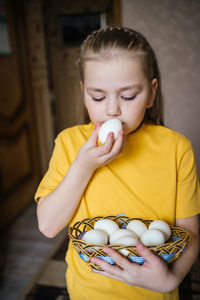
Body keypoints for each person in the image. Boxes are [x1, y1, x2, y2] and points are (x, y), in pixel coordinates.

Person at [35, 26, 200, 300]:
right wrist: (84, 166)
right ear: (83, 91)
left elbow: (190, 231)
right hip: (89, 292)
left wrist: (170, 279)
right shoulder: (69, 143)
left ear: (151, 92)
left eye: (128, 96)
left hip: (155, 294)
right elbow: (48, 226)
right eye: (98, 97)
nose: (112, 109)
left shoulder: (176, 149)